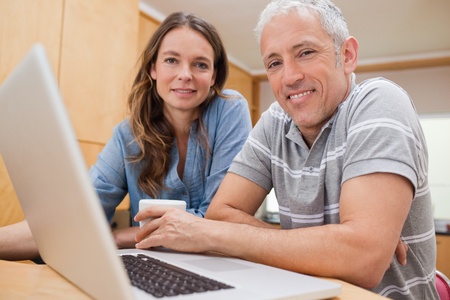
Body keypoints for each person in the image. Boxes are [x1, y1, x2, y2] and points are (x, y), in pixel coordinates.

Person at [132, 1, 438, 299]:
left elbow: (362, 261)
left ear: (346, 55)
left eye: (305, 53)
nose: (289, 77)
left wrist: (207, 234)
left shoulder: (379, 102)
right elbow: (221, 215)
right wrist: (335, 245)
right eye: (274, 63)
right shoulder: (275, 122)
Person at [0, 12, 252, 260]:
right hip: (153, 268)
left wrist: (120, 237)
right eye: (171, 60)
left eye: (200, 64)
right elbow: (68, 221)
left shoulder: (229, 110)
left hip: (219, 265)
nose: (185, 74)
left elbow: (219, 221)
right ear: (153, 68)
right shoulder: (127, 136)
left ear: (213, 76)